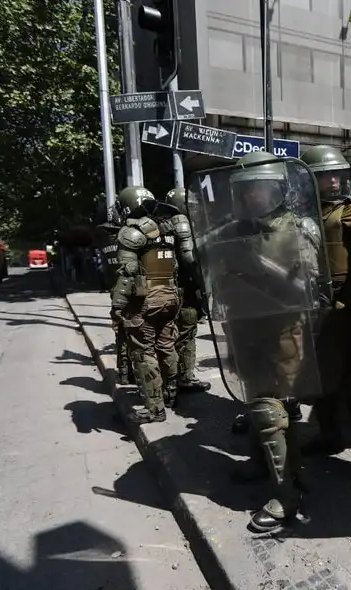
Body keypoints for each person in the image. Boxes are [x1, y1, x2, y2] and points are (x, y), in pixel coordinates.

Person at [191, 150, 327, 532]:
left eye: (260, 189)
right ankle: (269, 466)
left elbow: (307, 285)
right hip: (243, 328)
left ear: (278, 189)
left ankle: (286, 496)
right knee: (259, 407)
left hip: (284, 331)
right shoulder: (231, 231)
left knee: (272, 413)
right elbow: (200, 259)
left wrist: (260, 268)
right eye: (246, 190)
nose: (253, 197)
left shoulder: (299, 228)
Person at [300, 145, 351, 493]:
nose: (333, 181)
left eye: (337, 174)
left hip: (350, 308)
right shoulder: (305, 214)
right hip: (315, 308)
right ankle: (329, 435)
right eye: (325, 176)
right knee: (323, 379)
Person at [111, 186, 183, 423]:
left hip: (146, 301)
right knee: (167, 345)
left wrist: (118, 306)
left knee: (144, 352)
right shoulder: (169, 227)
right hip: (171, 296)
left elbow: (127, 272)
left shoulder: (132, 232)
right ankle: (171, 394)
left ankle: (155, 409)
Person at [158, 187, 211, 395]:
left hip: (166, 286)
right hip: (184, 288)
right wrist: (204, 283)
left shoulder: (163, 223)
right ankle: (183, 379)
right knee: (186, 332)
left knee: (169, 333)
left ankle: (169, 380)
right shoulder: (180, 221)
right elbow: (189, 258)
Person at [96, 215, 133, 385]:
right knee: (136, 332)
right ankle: (134, 372)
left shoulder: (104, 245)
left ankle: (124, 372)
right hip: (130, 291)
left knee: (121, 333)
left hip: (114, 291)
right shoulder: (126, 241)